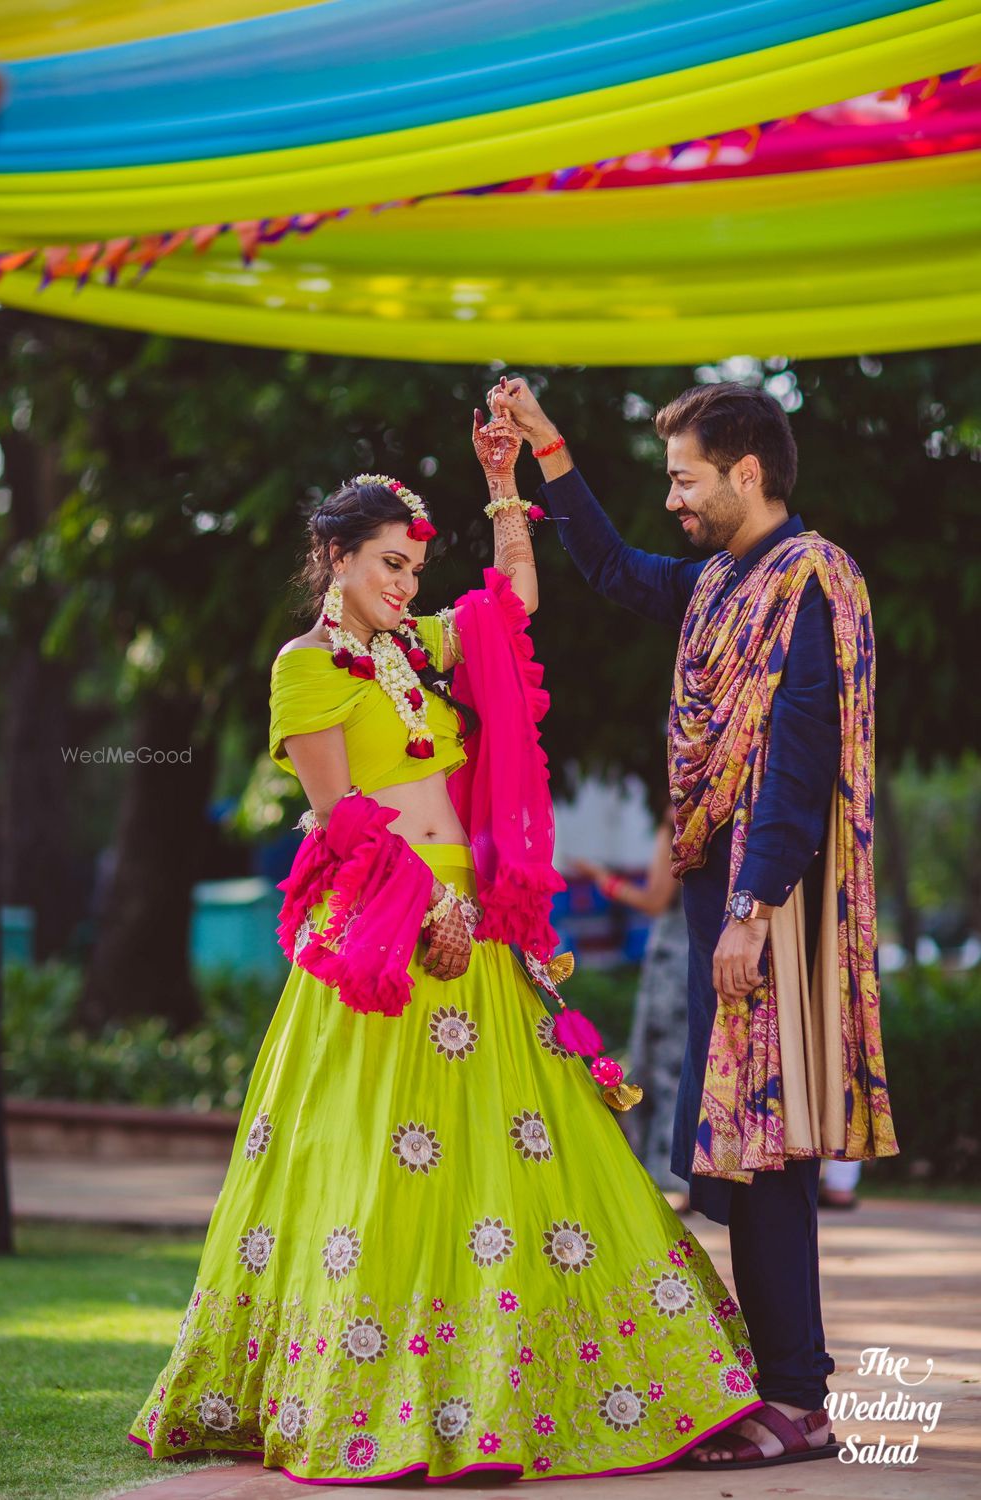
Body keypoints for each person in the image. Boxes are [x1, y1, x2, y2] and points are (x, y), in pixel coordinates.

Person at [127, 404, 764, 1484]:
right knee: (383, 1163)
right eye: (387, 565)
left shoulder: (412, 655)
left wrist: (503, 484)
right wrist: (429, 909)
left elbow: (508, 610)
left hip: (477, 927)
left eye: (413, 570)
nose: (405, 586)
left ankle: (528, 1394)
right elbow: (340, 820)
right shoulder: (307, 667)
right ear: (334, 558)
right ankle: (386, 1399)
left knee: (526, 1150)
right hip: (383, 932)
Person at [486, 375, 899, 1471]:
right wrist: (544, 452)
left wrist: (753, 911)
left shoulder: (807, 580)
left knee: (764, 1159)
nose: (672, 497)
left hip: (777, 902)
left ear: (746, 474)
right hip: (730, 896)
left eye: (684, 478)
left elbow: (800, 753)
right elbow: (616, 571)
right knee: (737, 1158)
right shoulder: (723, 579)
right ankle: (786, 1391)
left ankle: (796, 1401)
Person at [571, 805, 690, 1201]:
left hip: (674, 958)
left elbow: (655, 901)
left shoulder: (675, 819)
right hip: (706, 953)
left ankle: (666, 1176)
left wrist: (602, 880)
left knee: (662, 1066)